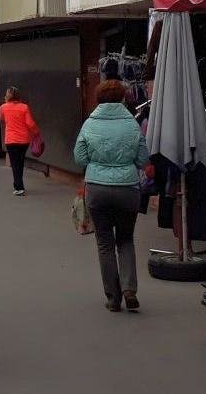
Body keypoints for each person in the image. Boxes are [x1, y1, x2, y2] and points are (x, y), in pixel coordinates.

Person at [73, 80, 152, 312]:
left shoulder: (90, 124)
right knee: (126, 239)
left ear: (98, 99)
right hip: (128, 188)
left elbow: (79, 157)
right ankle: (129, 289)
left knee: (105, 243)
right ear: (122, 98)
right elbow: (143, 159)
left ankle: (112, 297)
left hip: (97, 189)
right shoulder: (132, 124)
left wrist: (96, 165)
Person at [0, 86, 40, 195]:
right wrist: (36, 132)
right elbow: (30, 123)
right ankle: (19, 184)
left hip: (11, 140)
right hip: (23, 140)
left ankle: (19, 187)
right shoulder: (24, 107)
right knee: (20, 163)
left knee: (14, 163)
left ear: (8, 96)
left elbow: (1, 118)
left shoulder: (3, 107)